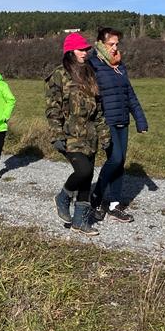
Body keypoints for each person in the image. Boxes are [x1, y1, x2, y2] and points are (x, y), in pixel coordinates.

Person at [45, 33, 110, 237]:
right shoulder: (59, 74)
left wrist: (105, 136)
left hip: (90, 137)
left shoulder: (90, 74)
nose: (85, 52)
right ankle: (62, 197)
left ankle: (79, 222)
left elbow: (99, 110)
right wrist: (56, 135)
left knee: (87, 177)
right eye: (81, 49)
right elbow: (52, 108)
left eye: (86, 49)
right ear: (70, 52)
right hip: (69, 135)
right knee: (82, 171)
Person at [87, 28, 147, 220]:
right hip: (106, 121)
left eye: (117, 44)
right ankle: (95, 198)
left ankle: (114, 204)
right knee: (115, 158)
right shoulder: (93, 65)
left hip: (122, 120)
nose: (115, 48)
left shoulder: (120, 66)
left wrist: (140, 119)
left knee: (120, 162)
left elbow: (129, 94)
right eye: (111, 44)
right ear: (100, 44)